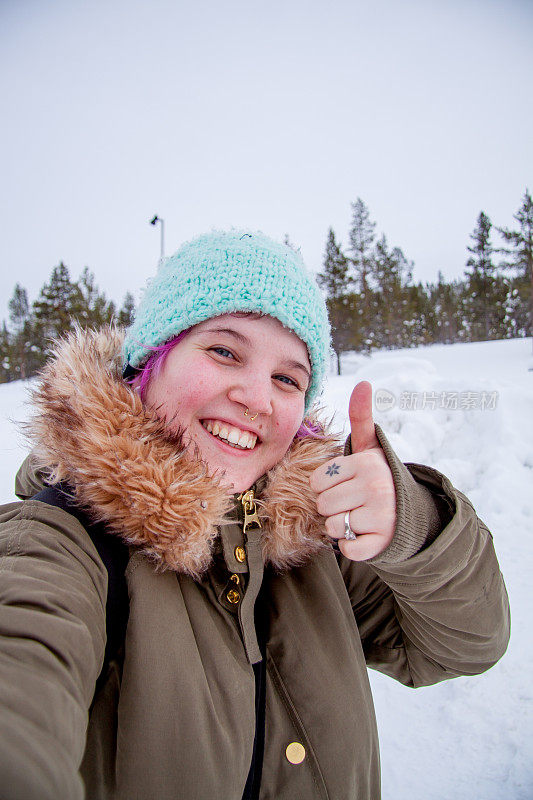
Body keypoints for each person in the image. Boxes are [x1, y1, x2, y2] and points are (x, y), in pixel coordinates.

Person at [0, 230, 509, 800]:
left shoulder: (313, 536)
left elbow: (464, 644)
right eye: (224, 351)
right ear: (150, 360)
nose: (257, 398)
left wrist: (413, 528)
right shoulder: (60, 546)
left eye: (287, 378)